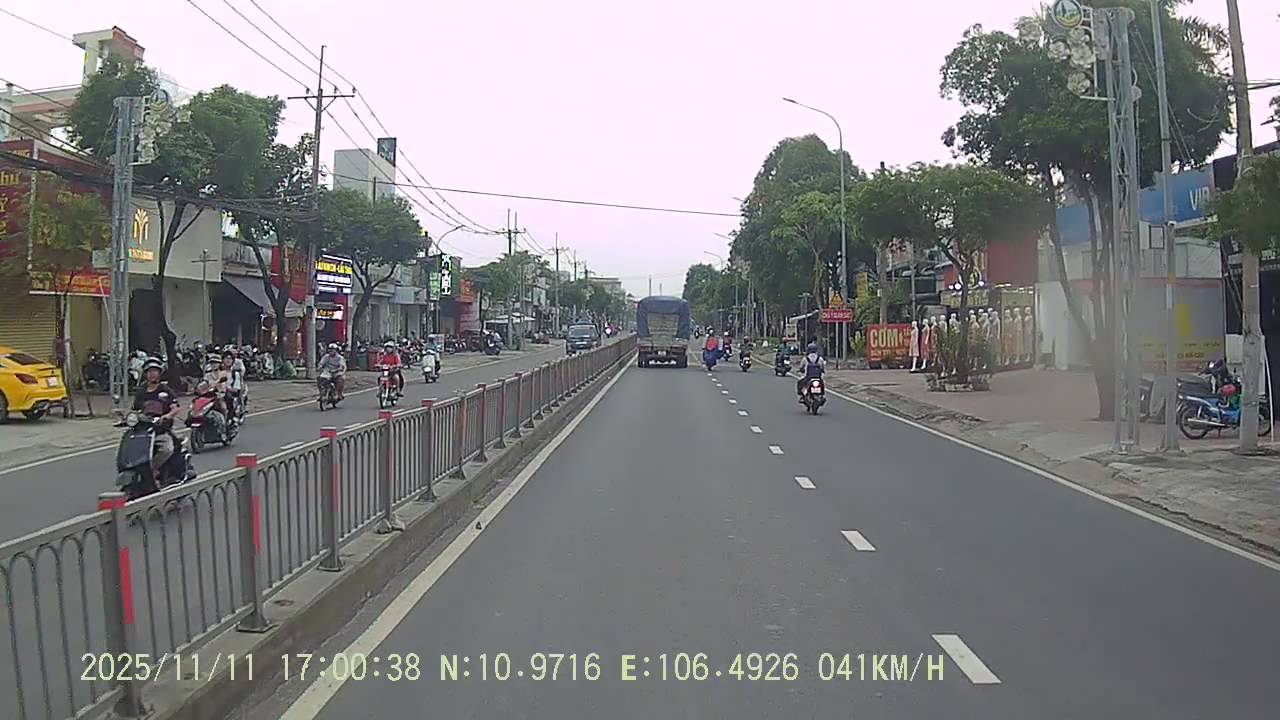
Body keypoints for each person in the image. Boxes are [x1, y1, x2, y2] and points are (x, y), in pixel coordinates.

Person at [132, 358, 194, 480]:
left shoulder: (165, 390)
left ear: (159, 373)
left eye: (155, 371)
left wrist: (166, 416)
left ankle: (154, 469)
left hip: (161, 430)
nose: (152, 374)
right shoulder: (141, 391)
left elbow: (175, 408)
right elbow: (135, 409)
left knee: (167, 449)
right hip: (143, 430)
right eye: (149, 371)